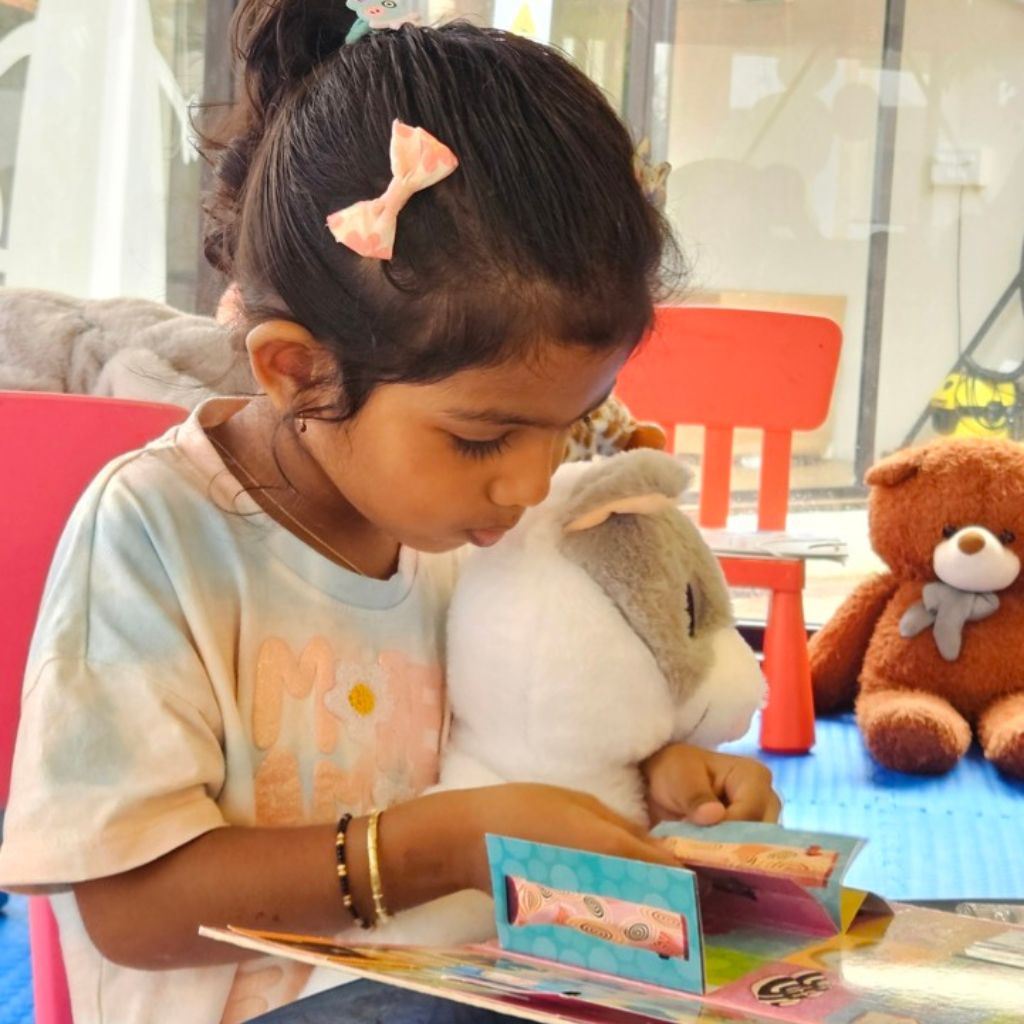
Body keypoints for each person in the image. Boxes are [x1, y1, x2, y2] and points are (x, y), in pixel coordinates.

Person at [0, 3, 780, 1022]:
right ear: (298, 370)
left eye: (571, 425)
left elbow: (515, 729)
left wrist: (649, 776)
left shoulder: (468, 523)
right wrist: (439, 846)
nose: (530, 485)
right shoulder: (157, 533)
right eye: (481, 437)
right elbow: (126, 913)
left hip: (471, 977)